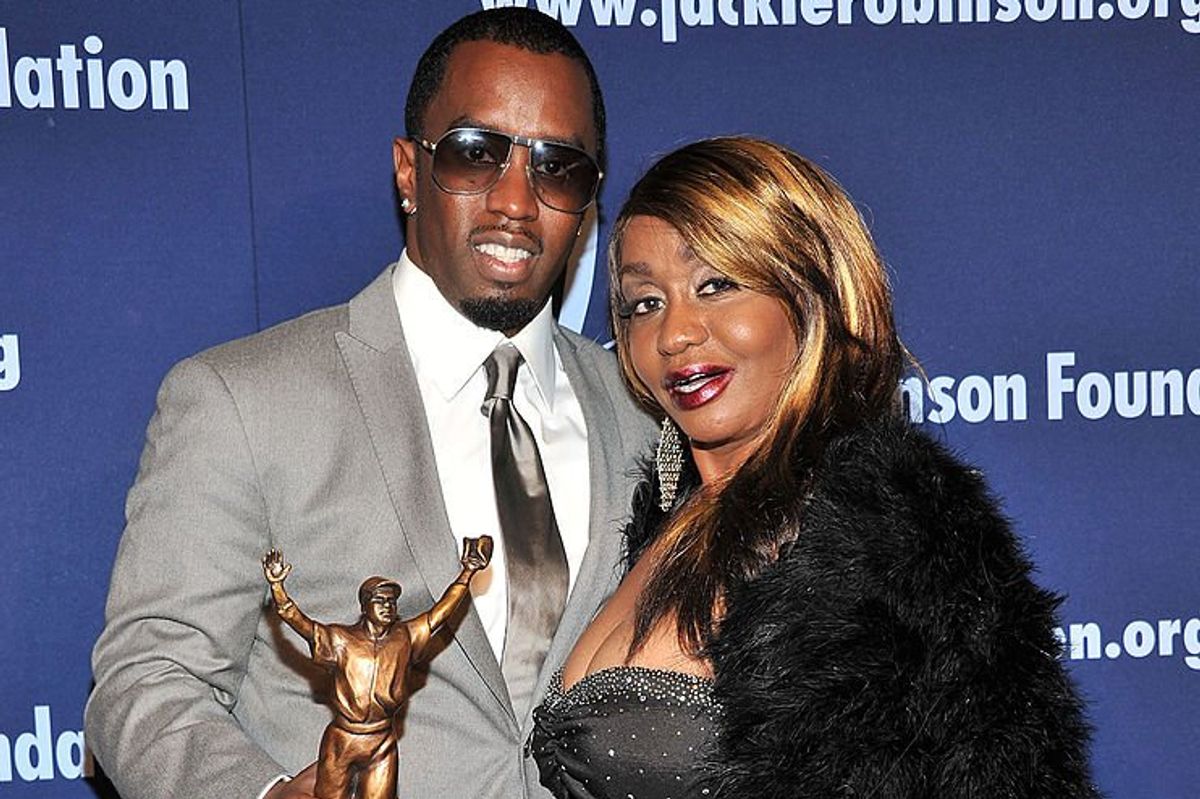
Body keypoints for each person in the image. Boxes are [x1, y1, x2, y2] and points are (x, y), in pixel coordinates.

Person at [85, 9, 653, 799]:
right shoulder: (242, 400)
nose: (517, 200)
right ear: (407, 170)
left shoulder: (644, 419)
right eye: (475, 153)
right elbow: (147, 677)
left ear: (589, 201)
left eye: (558, 167)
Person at [530, 137, 1099, 798]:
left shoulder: (891, 540)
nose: (674, 332)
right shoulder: (668, 520)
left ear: (809, 294)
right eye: (643, 303)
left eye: (715, 284)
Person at [260, 539, 490, 799]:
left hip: (381, 742)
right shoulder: (340, 640)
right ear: (364, 606)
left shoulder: (406, 637)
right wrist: (277, 587)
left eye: (392, 601)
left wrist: (468, 572)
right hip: (343, 739)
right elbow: (298, 621)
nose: (387, 606)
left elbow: (442, 612)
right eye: (380, 600)